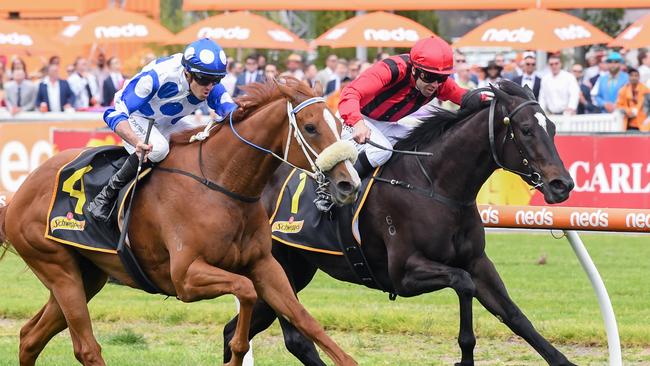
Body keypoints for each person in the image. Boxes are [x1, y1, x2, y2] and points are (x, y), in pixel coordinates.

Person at [85, 38, 238, 222]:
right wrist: (136, 142)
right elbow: (113, 112)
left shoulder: (208, 81)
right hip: (136, 117)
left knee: (203, 142)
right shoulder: (158, 76)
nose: (210, 87)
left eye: (216, 80)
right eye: (205, 80)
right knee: (158, 149)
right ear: (187, 73)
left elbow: (232, 112)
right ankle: (104, 197)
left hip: (168, 122)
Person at [337, 36, 488, 181]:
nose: (435, 84)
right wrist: (357, 122)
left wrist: (493, 99)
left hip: (385, 125)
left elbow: (466, 97)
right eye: (429, 76)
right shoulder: (391, 69)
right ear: (414, 69)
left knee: (426, 143)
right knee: (381, 150)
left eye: (441, 78)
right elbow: (350, 94)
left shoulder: (438, 84)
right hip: (353, 119)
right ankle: (336, 186)